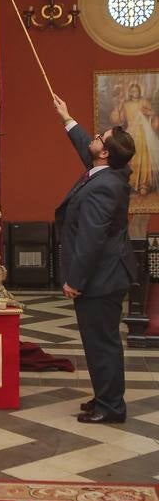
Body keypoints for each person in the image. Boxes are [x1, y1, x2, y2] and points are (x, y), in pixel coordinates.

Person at [53, 93, 136, 424]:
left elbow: (91, 240)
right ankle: (105, 396)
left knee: (102, 343)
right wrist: (66, 117)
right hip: (106, 276)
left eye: (101, 137)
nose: (96, 136)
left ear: (104, 153)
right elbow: (85, 144)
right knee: (99, 341)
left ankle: (112, 407)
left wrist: (75, 279)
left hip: (101, 278)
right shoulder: (108, 171)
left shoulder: (105, 186)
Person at [111, 81, 159, 195]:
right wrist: (120, 105)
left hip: (143, 133)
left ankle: (144, 184)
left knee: (144, 158)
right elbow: (119, 120)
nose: (135, 93)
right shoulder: (126, 105)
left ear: (139, 91)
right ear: (130, 93)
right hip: (131, 133)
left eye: (136, 90)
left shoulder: (144, 102)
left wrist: (148, 112)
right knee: (131, 157)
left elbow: (152, 115)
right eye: (132, 91)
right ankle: (132, 183)